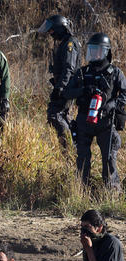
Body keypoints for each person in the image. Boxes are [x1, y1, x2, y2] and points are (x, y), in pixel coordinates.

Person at [62, 33, 126, 190]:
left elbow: (125, 93)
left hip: (106, 121)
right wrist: (83, 90)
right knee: (82, 158)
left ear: (105, 52)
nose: (94, 54)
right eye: (91, 50)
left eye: (97, 50)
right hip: (84, 119)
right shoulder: (83, 72)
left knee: (109, 158)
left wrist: (113, 104)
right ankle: (81, 192)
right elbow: (67, 92)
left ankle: (111, 194)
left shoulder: (115, 73)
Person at [37, 15, 81, 149]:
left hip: (68, 86)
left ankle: (69, 148)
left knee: (55, 114)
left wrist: (60, 88)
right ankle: (73, 146)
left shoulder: (70, 43)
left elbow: (69, 68)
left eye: (52, 30)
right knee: (63, 115)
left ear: (59, 28)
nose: (50, 33)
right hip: (64, 86)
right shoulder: (63, 42)